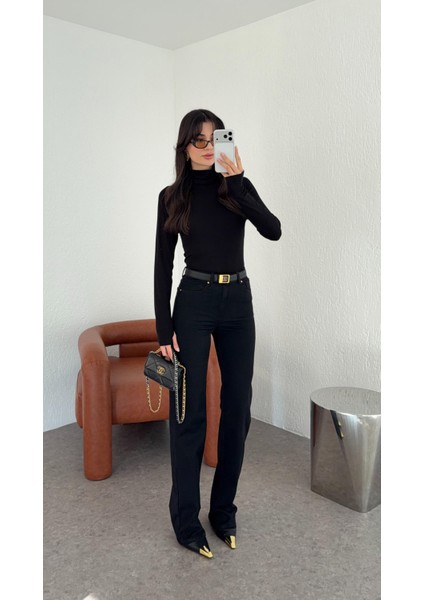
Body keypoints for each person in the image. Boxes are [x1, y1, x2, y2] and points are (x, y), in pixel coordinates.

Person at [154, 108, 281, 558]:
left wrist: (240, 181)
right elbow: (162, 266)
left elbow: (273, 230)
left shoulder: (236, 189)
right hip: (193, 302)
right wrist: (163, 329)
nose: (209, 148)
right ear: (185, 147)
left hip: (238, 302)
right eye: (200, 140)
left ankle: (223, 510)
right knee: (188, 413)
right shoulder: (171, 197)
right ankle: (186, 519)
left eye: (216, 139)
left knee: (238, 409)